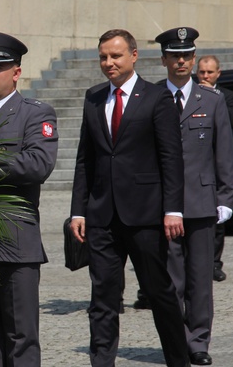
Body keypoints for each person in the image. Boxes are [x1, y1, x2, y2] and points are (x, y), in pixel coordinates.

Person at [69, 29, 189, 367]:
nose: (108, 63)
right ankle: (102, 361)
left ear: (134, 56)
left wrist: (174, 210)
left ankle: (178, 360)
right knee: (103, 296)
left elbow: (171, 157)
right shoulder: (93, 97)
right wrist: (78, 211)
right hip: (102, 217)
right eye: (103, 57)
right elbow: (85, 159)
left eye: (115, 56)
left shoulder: (156, 97)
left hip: (146, 216)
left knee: (159, 292)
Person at [0, 32, 58, 367]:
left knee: (21, 336)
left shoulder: (34, 113)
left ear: (16, 72)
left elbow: (38, 164)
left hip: (16, 242)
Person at [155, 27, 233, 366]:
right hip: (163, 206)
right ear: (164, 60)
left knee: (200, 281)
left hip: (202, 203)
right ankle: (176, 342)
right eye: (175, 55)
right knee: (169, 281)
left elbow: (224, 153)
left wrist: (226, 198)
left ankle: (198, 342)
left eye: (187, 55)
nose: (182, 61)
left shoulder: (212, 99)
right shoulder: (153, 97)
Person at [197, 54, 233, 283]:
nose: (205, 76)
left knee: (218, 218)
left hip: (216, 164)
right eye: (202, 72)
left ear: (218, 74)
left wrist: (214, 97)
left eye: (210, 72)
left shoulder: (227, 97)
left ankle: (214, 263)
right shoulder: (190, 96)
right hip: (197, 165)